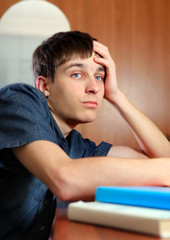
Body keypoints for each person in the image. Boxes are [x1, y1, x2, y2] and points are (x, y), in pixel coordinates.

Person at [0, 31, 169, 240]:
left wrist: (116, 96)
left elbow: (163, 157)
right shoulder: (19, 100)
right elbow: (65, 178)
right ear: (44, 86)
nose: (95, 88)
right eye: (77, 74)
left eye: (99, 76)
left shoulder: (76, 146)